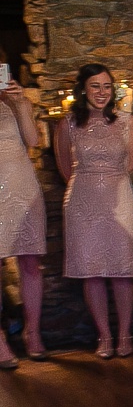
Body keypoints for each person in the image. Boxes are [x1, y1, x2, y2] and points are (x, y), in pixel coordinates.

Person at [54, 64, 133, 358]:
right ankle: (104, 336)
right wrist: (90, 182)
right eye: (95, 86)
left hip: (119, 198)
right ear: (83, 90)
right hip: (82, 201)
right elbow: (65, 167)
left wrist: (108, 180)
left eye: (107, 86)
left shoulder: (127, 121)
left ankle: (125, 335)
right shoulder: (67, 124)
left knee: (122, 272)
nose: (102, 92)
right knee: (92, 272)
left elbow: (130, 163)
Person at [0, 74, 47, 368]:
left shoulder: (19, 100)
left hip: (21, 182)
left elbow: (33, 141)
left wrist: (20, 104)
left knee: (30, 260)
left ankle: (33, 331)